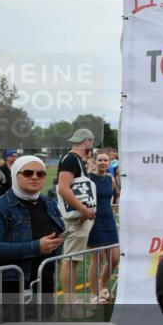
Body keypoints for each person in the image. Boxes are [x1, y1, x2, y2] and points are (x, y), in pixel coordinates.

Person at [0, 155, 64, 316]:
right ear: (15, 175)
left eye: (40, 173)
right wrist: (36, 247)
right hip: (7, 287)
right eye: (28, 173)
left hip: (43, 283)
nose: (35, 177)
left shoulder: (49, 203)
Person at [57, 128, 97, 305]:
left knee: (73, 259)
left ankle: (72, 298)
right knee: (70, 259)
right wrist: (84, 210)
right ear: (87, 141)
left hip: (79, 217)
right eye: (91, 142)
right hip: (76, 218)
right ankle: (70, 299)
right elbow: (63, 189)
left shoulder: (75, 160)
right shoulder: (71, 159)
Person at [88, 152, 119, 303]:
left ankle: (103, 286)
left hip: (109, 221)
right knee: (97, 259)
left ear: (109, 162)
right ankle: (94, 294)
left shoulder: (110, 179)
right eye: (100, 160)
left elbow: (112, 197)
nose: (102, 162)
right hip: (95, 222)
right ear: (95, 161)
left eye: (105, 160)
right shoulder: (89, 178)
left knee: (115, 258)